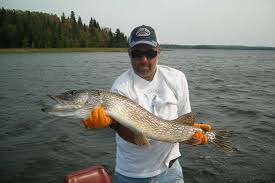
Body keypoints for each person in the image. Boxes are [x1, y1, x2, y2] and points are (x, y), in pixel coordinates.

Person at [82, 25, 210, 183]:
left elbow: (185, 120)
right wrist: (113, 124)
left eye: (150, 53)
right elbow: (135, 138)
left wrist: (195, 136)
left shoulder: (177, 78)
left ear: (158, 52)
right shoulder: (121, 87)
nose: (144, 60)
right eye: (137, 53)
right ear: (129, 54)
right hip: (132, 175)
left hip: (171, 171)